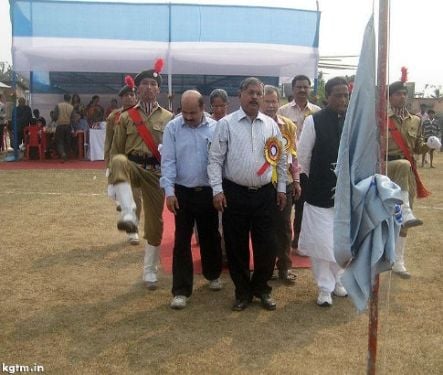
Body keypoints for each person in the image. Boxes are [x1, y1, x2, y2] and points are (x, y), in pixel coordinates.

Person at [208, 77, 287, 311]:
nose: (255, 97)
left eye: (258, 93)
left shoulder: (271, 125)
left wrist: (281, 188)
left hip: (265, 194)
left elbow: (280, 158)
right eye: (250, 92)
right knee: (236, 246)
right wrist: (217, 190)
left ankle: (262, 288)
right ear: (240, 95)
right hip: (235, 193)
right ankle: (242, 292)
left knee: (267, 245)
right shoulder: (226, 124)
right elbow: (214, 160)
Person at [109, 61, 173, 290]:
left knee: (156, 224)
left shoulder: (169, 117)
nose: (148, 87)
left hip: (156, 174)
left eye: (153, 84)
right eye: (144, 83)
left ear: (158, 89)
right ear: (137, 89)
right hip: (133, 168)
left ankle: (149, 270)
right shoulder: (126, 117)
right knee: (118, 160)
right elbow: (117, 149)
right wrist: (112, 182)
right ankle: (128, 213)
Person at [161, 90, 223, 309]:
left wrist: (218, 190)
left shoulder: (216, 128)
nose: (188, 117)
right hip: (182, 192)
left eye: (193, 113)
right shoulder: (172, 128)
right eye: (185, 112)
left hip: (208, 192)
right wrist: (169, 191)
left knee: (211, 236)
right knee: (181, 241)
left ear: (202, 107)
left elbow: (219, 161)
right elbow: (168, 161)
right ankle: (180, 290)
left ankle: (213, 274)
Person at [297, 77, 350, 307]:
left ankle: (338, 280)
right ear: (327, 97)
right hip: (319, 192)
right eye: (337, 95)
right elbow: (303, 157)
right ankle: (324, 288)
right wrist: (316, 180)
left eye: (345, 95)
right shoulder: (314, 121)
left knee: (341, 241)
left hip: (346, 194)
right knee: (321, 243)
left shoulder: (352, 120)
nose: (342, 99)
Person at [387, 81, 434, 278]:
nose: (402, 97)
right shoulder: (381, 117)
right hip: (385, 167)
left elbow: (417, 147)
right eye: (397, 94)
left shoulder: (415, 120)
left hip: (407, 172)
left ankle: (399, 260)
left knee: (404, 222)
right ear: (389, 97)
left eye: (404, 94)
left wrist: (430, 145)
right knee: (382, 218)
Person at [261, 85, 301, 284]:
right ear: (260, 102)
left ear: (279, 102)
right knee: (263, 228)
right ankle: (265, 269)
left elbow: (293, 156)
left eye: (274, 101)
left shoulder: (288, 126)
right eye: (266, 101)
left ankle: (284, 267)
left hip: (284, 183)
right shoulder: (253, 124)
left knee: (284, 227)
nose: (270, 105)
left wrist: (296, 180)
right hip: (261, 184)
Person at [277, 75, 321, 252]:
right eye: (299, 87)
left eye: (305, 87)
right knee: (286, 208)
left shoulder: (318, 112)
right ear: (293, 90)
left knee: (303, 206)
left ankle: (298, 242)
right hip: (287, 168)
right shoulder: (282, 111)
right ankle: (284, 243)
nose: (302, 90)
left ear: (310, 89)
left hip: (309, 167)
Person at [105, 77, 141, 245]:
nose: (129, 98)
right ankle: (129, 223)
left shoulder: (142, 114)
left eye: (132, 94)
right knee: (120, 192)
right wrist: (108, 164)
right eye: (125, 95)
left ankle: (133, 228)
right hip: (119, 160)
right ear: (121, 98)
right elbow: (109, 141)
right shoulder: (114, 116)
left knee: (136, 195)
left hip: (136, 162)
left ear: (136, 96)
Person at [53, 94, 74, 162]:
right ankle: (66, 155)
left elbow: (55, 116)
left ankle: (62, 154)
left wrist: (55, 120)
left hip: (60, 125)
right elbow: (73, 118)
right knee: (67, 141)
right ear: (70, 99)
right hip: (68, 126)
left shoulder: (58, 105)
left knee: (59, 141)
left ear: (64, 98)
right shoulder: (71, 107)